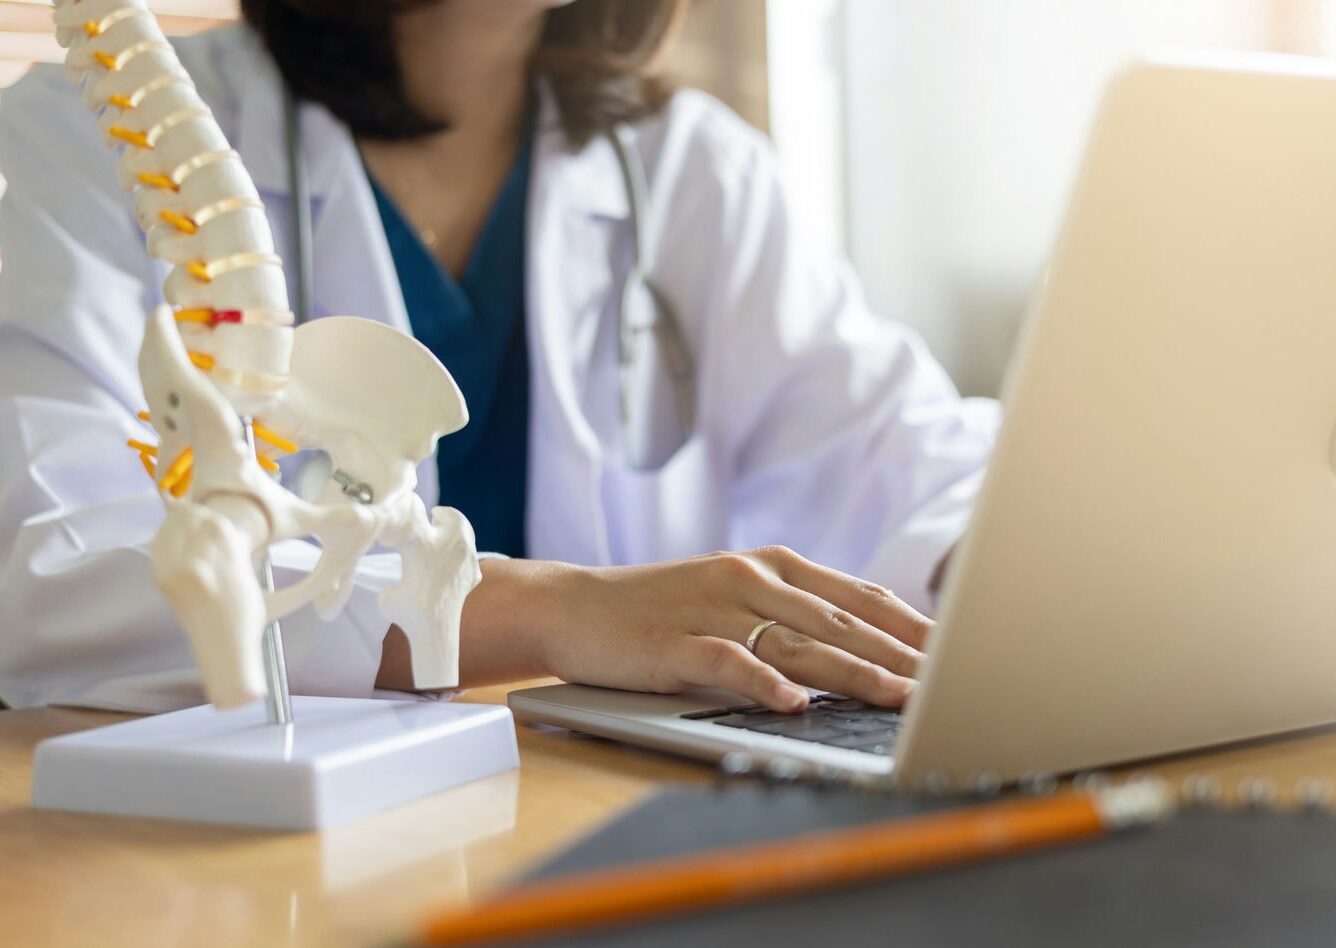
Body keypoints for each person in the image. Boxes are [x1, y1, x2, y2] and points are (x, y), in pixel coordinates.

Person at [0, 0, 999, 715]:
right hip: (243, 859)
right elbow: (48, 568)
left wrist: (1011, 563)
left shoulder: (690, 168)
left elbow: (902, 456)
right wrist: (545, 614)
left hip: (598, 823)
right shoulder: (96, 140)